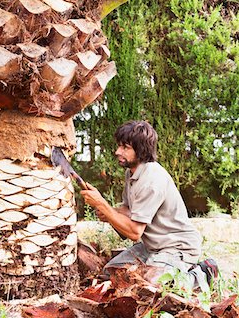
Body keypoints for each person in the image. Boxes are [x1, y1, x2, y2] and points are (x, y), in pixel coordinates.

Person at [81, 120, 218, 287]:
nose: (117, 151)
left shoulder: (152, 179)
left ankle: (201, 274)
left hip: (177, 247)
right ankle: (165, 268)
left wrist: (104, 206)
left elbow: (134, 232)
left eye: (125, 147)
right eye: (119, 146)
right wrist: (108, 212)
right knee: (112, 273)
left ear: (141, 149)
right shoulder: (131, 174)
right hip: (151, 247)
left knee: (151, 285)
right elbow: (127, 210)